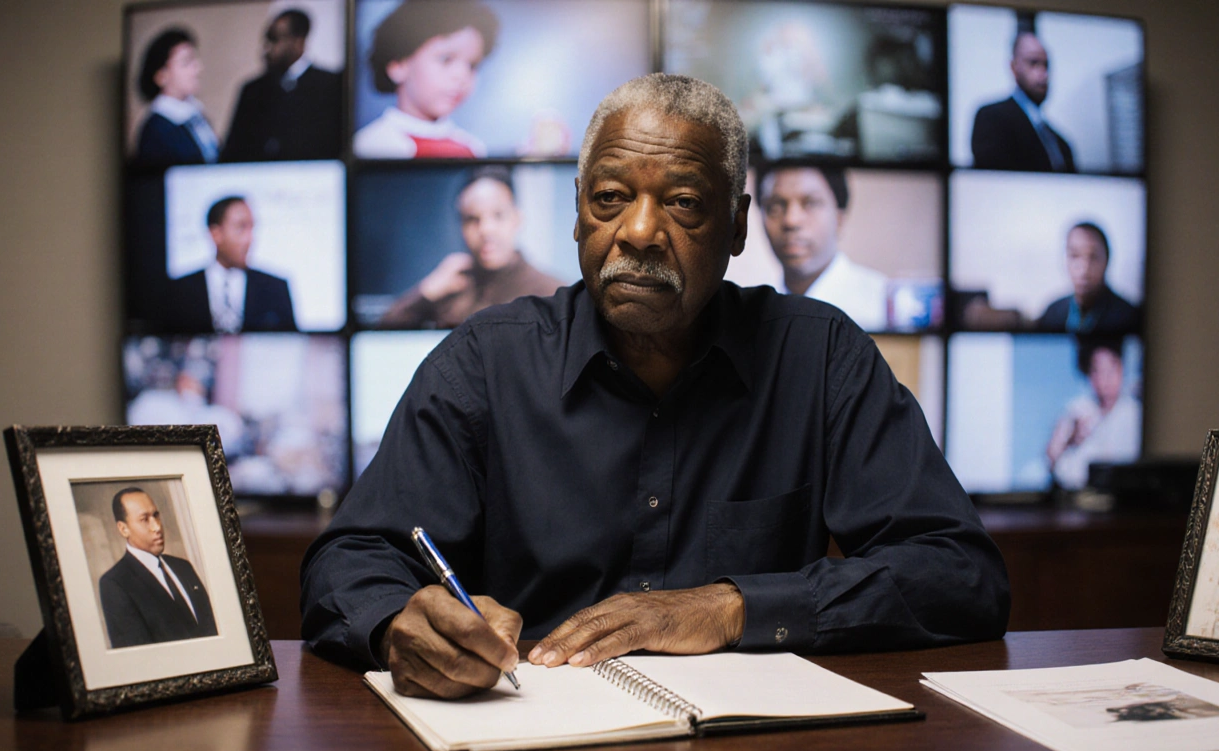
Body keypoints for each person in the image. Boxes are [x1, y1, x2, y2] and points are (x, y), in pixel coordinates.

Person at [301, 73, 1009, 700]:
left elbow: (959, 575)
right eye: (610, 198)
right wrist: (400, 623)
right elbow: (351, 559)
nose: (639, 232)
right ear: (580, 209)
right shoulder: (486, 359)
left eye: (683, 203)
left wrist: (731, 607)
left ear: (736, 225)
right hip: (529, 735)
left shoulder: (818, 355)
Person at [377, 166, 564, 329]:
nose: (486, 230)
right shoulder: (450, 288)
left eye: (498, 215)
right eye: (472, 219)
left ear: (516, 218)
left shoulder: (553, 293)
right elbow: (380, 334)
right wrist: (426, 292)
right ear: (461, 226)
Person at [353, 0, 499, 159]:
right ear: (398, 65)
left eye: (472, 66)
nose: (462, 76)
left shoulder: (473, 148)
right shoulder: (372, 145)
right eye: (446, 59)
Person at [756, 164, 888, 329]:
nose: (791, 220)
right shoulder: (752, 313)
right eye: (775, 207)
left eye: (810, 203)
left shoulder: (883, 304)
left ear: (839, 217)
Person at [98, 488, 218, 648]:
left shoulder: (183, 567)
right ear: (123, 529)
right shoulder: (115, 583)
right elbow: (137, 657)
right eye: (144, 519)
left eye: (156, 515)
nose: (157, 527)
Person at [222, 9, 343, 162]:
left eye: (275, 40)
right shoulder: (253, 91)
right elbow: (233, 150)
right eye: (266, 40)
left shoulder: (331, 86)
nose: (267, 49)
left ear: (299, 42)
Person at [164, 196, 297, 333]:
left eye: (251, 228)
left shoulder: (275, 288)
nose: (249, 239)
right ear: (216, 234)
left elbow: (291, 343)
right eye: (241, 227)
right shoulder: (179, 291)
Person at [970, 31, 1075, 172]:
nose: (1042, 74)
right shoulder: (992, 119)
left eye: (1046, 65)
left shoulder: (1061, 144)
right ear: (1014, 67)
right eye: (1033, 63)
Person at [1046, 338, 1141, 489]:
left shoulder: (1134, 412)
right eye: (1097, 371)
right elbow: (1051, 458)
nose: (1104, 380)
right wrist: (1071, 440)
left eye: (1110, 370)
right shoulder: (1077, 410)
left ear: (1121, 369)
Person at [133, 28, 220, 168]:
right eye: (186, 62)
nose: (197, 68)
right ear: (161, 76)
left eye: (194, 60)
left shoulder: (196, 115)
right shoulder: (156, 130)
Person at [1037, 223, 1140, 333]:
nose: (1084, 268)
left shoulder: (1129, 316)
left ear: (1107, 260)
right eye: (1074, 255)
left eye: (1093, 257)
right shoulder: (1053, 313)